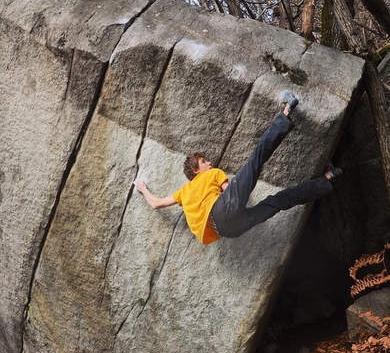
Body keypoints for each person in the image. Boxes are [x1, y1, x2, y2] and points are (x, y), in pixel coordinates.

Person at [134, 92, 342, 245]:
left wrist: (142, 188)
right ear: (196, 171)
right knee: (256, 161)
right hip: (224, 210)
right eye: (204, 162)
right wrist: (239, 188)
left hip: (229, 230)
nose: (210, 163)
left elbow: (157, 204)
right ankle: (286, 112)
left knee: (279, 202)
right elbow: (231, 193)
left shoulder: (183, 193)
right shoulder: (211, 175)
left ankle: (327, 179)